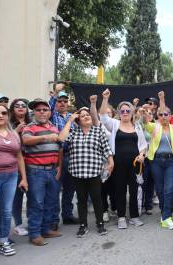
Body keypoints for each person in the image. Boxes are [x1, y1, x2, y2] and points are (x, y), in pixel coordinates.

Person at [58, 107, 114, 237]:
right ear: (78, 121)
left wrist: (111, 161)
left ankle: (100, 224)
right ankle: (83, 225)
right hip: (77, 172)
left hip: (94, 171)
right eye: (82, 116)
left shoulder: (98, 131)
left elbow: (106, 148)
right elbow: (61, 138)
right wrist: (69, 121)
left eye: (87, 114)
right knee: (81, 200)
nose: (86, 117)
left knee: (97, 199)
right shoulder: (73, 132)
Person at [100, 89, 147, 229]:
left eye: (128, 111)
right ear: (119, 113)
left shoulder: (137, 126)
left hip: (134, 164)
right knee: (119, 190)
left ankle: (134, 216)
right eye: (122, 111)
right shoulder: (114, 124)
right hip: (118, 164)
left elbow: (143, 145)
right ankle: (121, 217)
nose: (125, 113)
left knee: (134, 190)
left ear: (132, 113)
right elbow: (102, 116)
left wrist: (142, 155)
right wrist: (105, 99)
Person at [22, 98, 62, 246]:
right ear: (34, 113)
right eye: (38, 110)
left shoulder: (54, 127)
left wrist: (59, 166)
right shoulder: (30, 127)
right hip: (35, 171)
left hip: (52, 170)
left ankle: (46, 229)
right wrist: (45, 136)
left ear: (49, 112)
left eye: (44, 110)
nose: (42, 112)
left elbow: (59, 149)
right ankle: (34, 234)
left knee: (50, 202)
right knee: (36, 203)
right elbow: (25, 140)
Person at [141, 94, 173, 230]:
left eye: (166, 114)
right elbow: (145, 123)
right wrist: (143, 113)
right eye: (161, 114)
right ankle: (165, 213)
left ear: (170, 116)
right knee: (159, 189)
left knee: (169, 188)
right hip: (156, 162)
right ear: (158, 116)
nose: (163, 116)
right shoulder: (155, 127)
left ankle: (166, 217)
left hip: (171, 161)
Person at [0, 103, 28, 256]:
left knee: (6, 211)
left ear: (8, 115)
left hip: (11, 176)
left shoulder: (13, 134)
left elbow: (19, 157)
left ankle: (3, 241)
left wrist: (24, 178)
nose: (0, 115)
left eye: (3, 113)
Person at [49, 83, 78, 226]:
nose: (62, 103)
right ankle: (54, 220)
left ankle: (67, 215)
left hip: (71, 156)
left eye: (65, 101)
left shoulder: (73, 119)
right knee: (55, 189)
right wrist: (56, 92)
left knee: (70, 188)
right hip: (57, 156)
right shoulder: (52, 116)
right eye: (60, 101)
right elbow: (49, 106)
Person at [89, 95, 116, 222]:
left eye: (109, 112)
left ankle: (114, 208)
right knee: (103, 187)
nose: (107, 114)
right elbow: (94, 116)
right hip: (103, 161)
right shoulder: (99, 126)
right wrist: (94, 103)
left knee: (114, 187)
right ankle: (104, 210)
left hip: (116, 159)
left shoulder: (118, 125)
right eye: (105, 112)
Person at [9, 98, 30, 236]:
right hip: (15, 164)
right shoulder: (7, 124)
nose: (21, 108)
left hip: (31, 162)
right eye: (17, 106)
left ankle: (32, 220)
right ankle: (18, 224)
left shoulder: (31, 123)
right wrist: (16, 130)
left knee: (32, 194)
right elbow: (5, 142)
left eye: (24, 106)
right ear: (13, 109)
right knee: (17, 196)